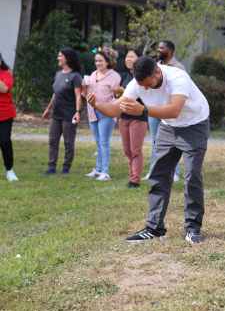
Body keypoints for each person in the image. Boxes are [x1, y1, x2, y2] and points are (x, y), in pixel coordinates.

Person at [87, 56, 210, 244]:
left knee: (192, 174)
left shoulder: (178, 77)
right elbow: (114, 109)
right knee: (158, 175)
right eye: (142, 86)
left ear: (158, 73)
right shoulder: (137, 84)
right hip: (169, 127)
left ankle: (193, 228)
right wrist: (97, 105)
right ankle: (155, 228)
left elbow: (174, 110)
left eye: (149, 85)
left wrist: (143, 110)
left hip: (194, 124)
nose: (145, 89)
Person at [142, 41, 186, 182]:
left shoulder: (179, 68)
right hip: (154, 110)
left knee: (173, 142)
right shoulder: (153, 67)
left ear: (170, 51)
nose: (158, 49)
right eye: (158, 47)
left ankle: (174, 173)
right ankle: (153, 171)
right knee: (156, 141)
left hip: (169, 111)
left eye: (161, 47)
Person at [42, 47, 82, 175]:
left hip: (69, 114)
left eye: (60, 56)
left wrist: (78, 112)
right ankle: (51, 168)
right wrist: (48, 109)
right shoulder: (58, 74)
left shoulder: (75, 76)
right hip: (55, 114)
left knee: (68, 143)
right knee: (52, 141)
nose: (58, 58)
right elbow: (56, 93)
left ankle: (66, 168)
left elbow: (78, 96)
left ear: (67, 58)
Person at [82, 47, 120, 181]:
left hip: (106, 112)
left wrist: (111, 108)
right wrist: (84, 88)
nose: (98, 63)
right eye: (96, 61)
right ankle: (98, 170)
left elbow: (117, 96)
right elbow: (86, 95)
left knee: (104, 142)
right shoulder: (92, 75)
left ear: (107, 61)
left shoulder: (115, 76)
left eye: (100, 61)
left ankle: (105, 172)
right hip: (92, 112)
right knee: (98, 143)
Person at [112, 48, 148, 189]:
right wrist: (117, 93)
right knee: (127, 150)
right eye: (127, 57)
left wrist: (124, 91)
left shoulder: (143, 77)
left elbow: (144, 95)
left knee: (135, 150)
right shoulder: (124, 76)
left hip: (138, 117)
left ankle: (135, 181)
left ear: (139, 60)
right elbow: (120, 97)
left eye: (131, 57)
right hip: (124, 117)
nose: (128, 59)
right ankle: (131, 177)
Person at [0, 53, 18, 181]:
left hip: (5, 114)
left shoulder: (6, 74)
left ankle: (9, 170)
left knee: (4, 141)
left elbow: (4, 89)